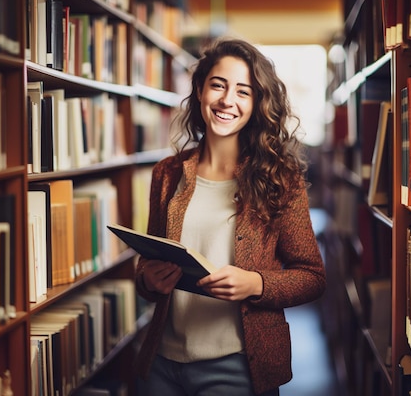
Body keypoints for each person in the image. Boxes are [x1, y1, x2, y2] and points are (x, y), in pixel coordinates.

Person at [134, 37, 327, 396]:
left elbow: (313, 277)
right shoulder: (167, 173)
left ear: (257, 104)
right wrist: (148, 278)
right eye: (218, 85)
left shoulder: (280, 179)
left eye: (244, 91)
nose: (227, 100)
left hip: (238, 366)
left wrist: (257, 284)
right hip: (161, 363)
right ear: (199, 90)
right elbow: (150, 260)